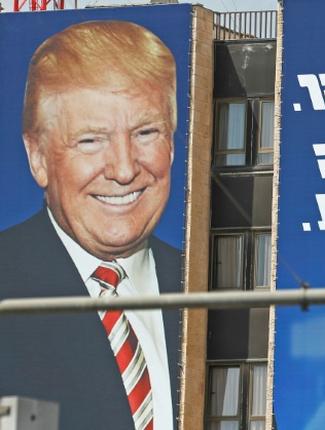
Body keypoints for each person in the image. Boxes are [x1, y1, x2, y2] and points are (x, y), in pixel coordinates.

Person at [0, 21, 182, 430]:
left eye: (146, 132)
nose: (123, 169)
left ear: (172, 143)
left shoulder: (214, 293)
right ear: (38, 158)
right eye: (90, 140)